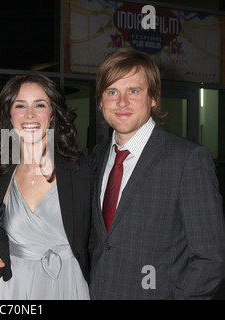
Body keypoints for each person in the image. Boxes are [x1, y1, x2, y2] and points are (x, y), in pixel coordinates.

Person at [90, 48, 225, 299]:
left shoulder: (187, 160)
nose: (122, 102)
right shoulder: (96, 158)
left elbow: (211, 258)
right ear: (100, 102)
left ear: (153, 98)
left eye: (134, 91)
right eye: (112, 92)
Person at [0, 73, 92, 299]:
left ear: (53, 114)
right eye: (20, 105)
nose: (30, 114)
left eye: (40, 105)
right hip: (17, 288)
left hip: (69, 285)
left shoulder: (81, 170)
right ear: (9, 115)